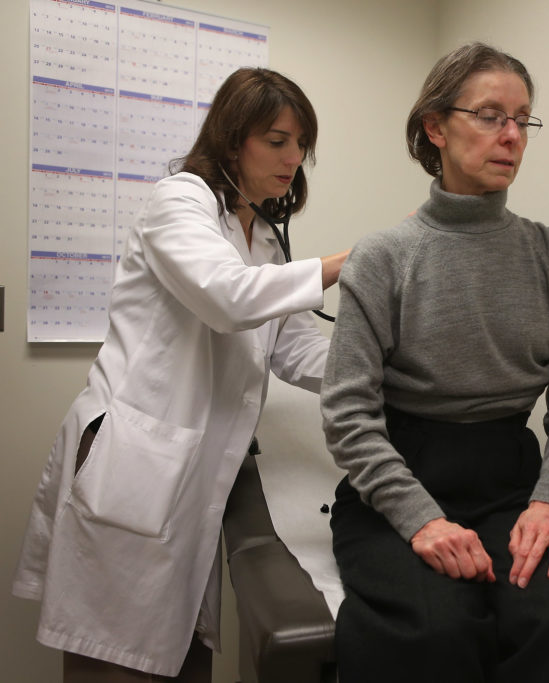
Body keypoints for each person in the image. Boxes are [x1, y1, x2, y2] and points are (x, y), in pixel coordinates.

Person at [12, 67, 349, 681]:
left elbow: (294, 350)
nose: (294, 158)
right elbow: (226, 298)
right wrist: (350, 263)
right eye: (277, 141)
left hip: (193, 480)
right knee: (111, 660)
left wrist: (389, 372)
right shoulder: (181, 200)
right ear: (231, 139)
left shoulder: (268, 240)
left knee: (178, 656)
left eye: (301, 145)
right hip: (135, 463)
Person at [320, 43, 549, 682]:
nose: (511, 135)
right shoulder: (383, 257)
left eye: (522, 119)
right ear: (435, 126)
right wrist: (420, 519)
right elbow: (347, 412)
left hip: (512, 483)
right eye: (489, 115)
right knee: (435, 627)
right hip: (402, 478)